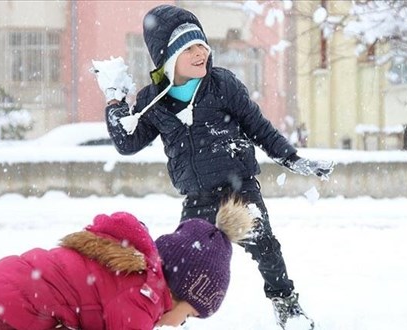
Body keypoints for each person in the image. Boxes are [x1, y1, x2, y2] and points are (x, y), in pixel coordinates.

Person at [93, 4, 334, 329]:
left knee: (267, 249)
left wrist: (293, 159)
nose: (200, 54)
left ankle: (286, 305)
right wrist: (115, 101)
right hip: (197, 198)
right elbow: (128, 142)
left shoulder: (222, 85)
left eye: (202, 46)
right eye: (189, 48)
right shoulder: (154, 101)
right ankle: (165, 316)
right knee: (178, 266)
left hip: (239, 190)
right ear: (167, 58)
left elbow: (259, 128)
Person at [0, 198, 253, 329]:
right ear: (177, 291)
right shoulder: (143, 299)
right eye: (189, 316)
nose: (181, 325)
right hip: (6, 314)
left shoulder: (132, 271)